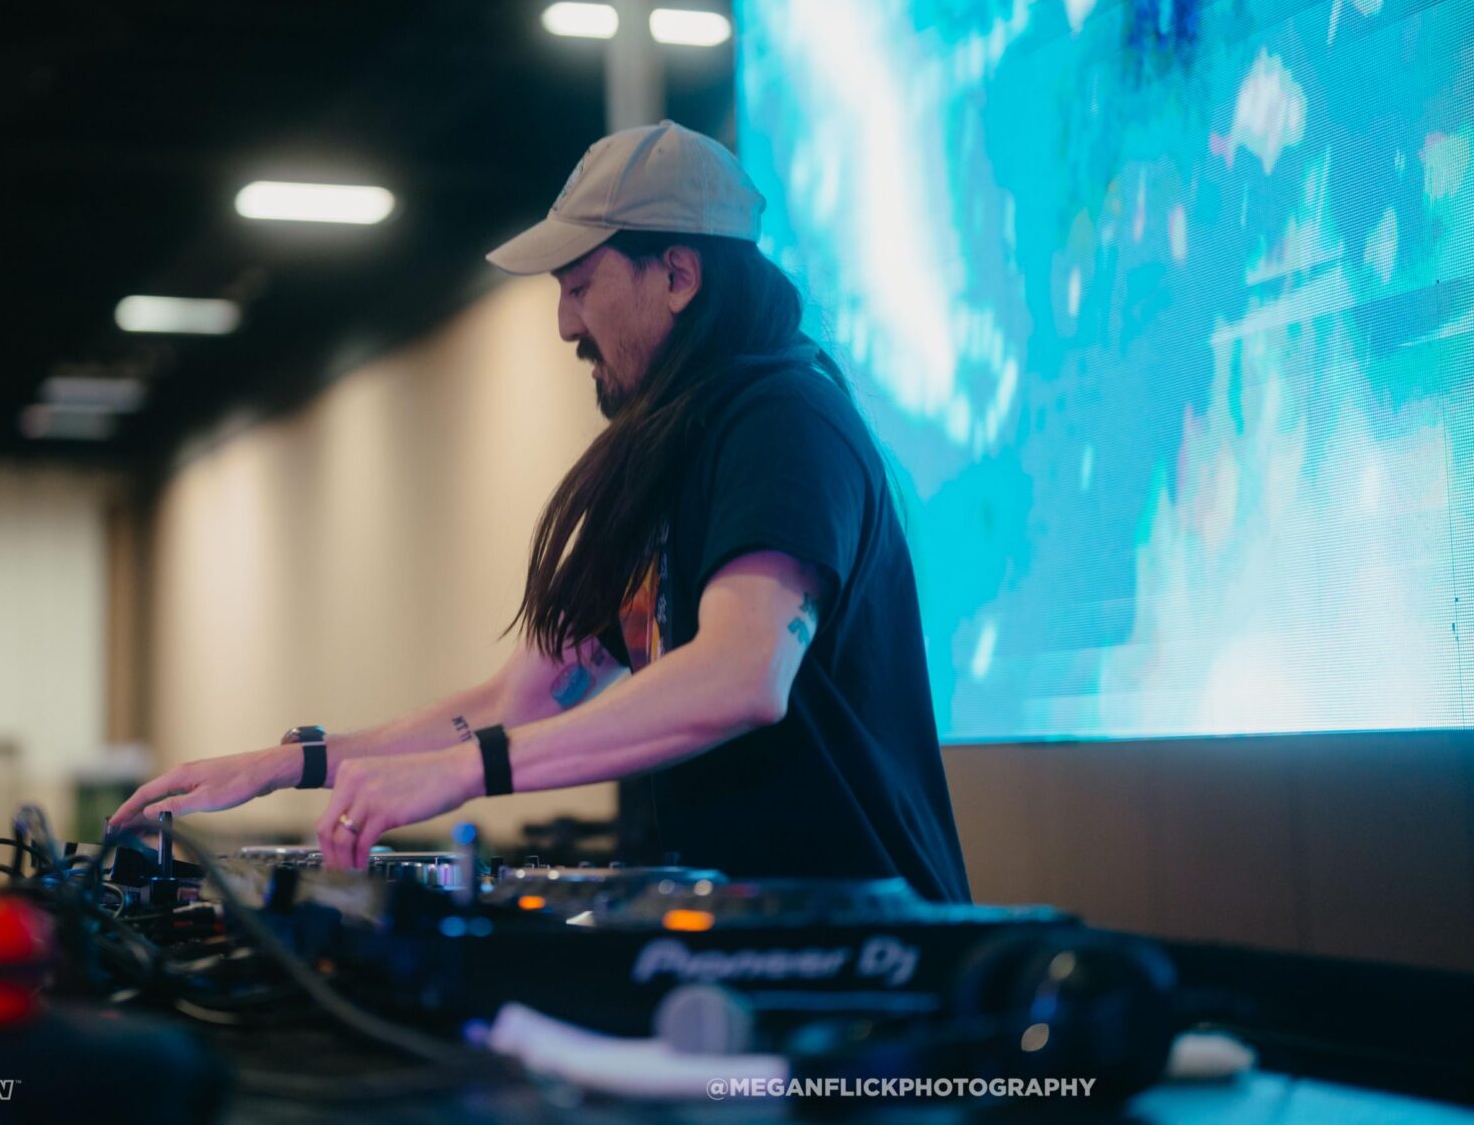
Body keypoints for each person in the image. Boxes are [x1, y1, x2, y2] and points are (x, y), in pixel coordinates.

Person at [109, 121, 970, 903]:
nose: (564, 324)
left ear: (678, 276)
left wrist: (465, 773)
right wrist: (290, 764)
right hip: (758, 943)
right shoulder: (670, 456)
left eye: (581, 286)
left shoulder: (785, 420)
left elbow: (742, 675)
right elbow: (524, 696)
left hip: (879, 960)